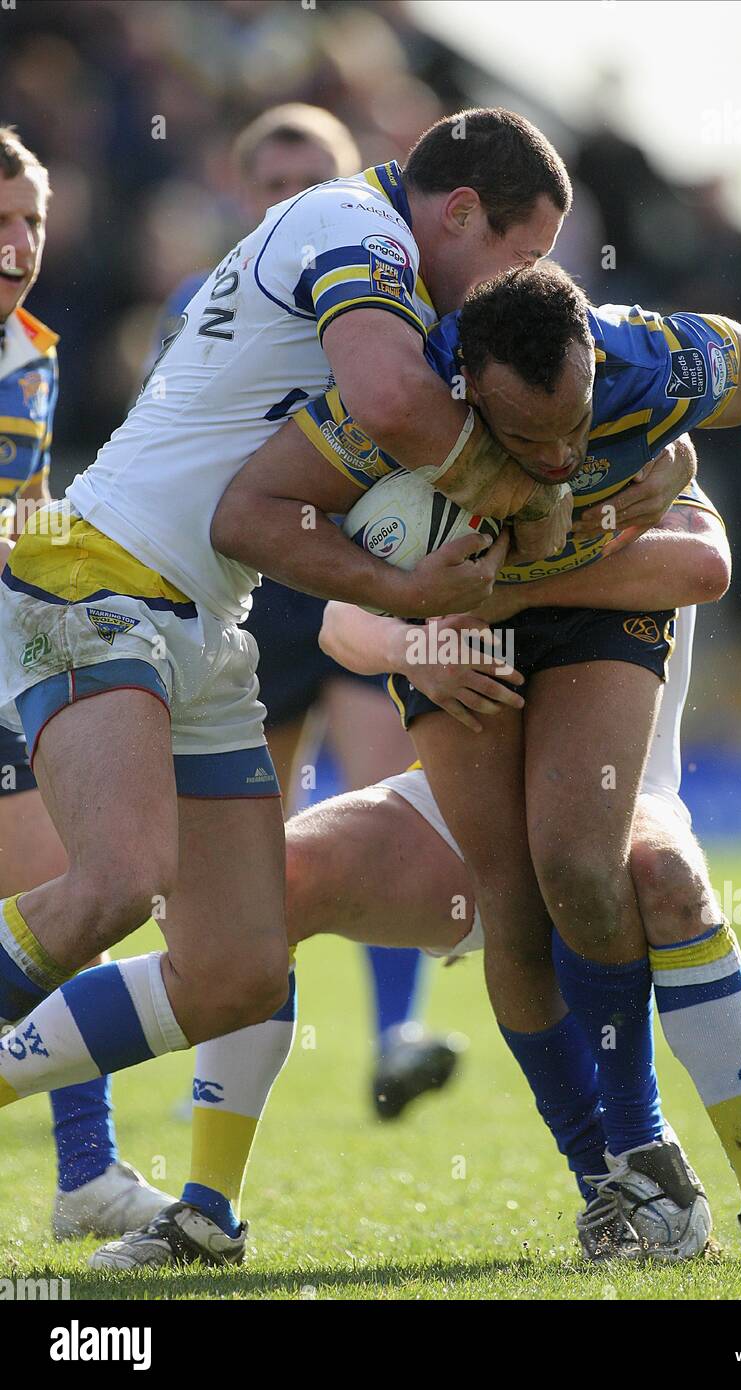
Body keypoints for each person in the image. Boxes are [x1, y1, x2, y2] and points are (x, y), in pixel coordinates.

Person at [202, 262, 741, 1265]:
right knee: (267, 889)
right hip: (452, 770)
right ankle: (189, 1200)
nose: (564, 452)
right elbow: (332, 611)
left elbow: (704, 555)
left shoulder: (649, 386)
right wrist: (414, 636)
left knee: (631, 869)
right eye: (531, 439)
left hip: (620, 785)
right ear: (468, 400)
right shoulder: (397, 420)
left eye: (577, 424)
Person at [0, 111, 573, 1258]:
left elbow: (252, 519)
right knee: (115, 878)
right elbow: (396, 407)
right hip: (93, 577)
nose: (521, 286)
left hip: (208, 617)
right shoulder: (350, 225)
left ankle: (140, 1193)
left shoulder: (393, 277)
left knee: (237, 966)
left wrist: (403, 588)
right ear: (456, 213)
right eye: (518, 257)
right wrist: (538, 479)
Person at [150, 101, 460, 1120]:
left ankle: (395, 1034)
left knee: (379, 796)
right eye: (275, 184)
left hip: (363, 574)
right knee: (260, 850)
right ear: (247, 195)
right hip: (255, 592)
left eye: (312, 179)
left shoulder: (384, 290)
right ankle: (226, 1075)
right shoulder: (206, 301)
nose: (294, 199)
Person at [0, 125, 173, 1237]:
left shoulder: (35, 350)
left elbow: (30, 511)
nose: (18, 245)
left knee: (69, 898)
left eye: (33, 222)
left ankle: (85, 1173)